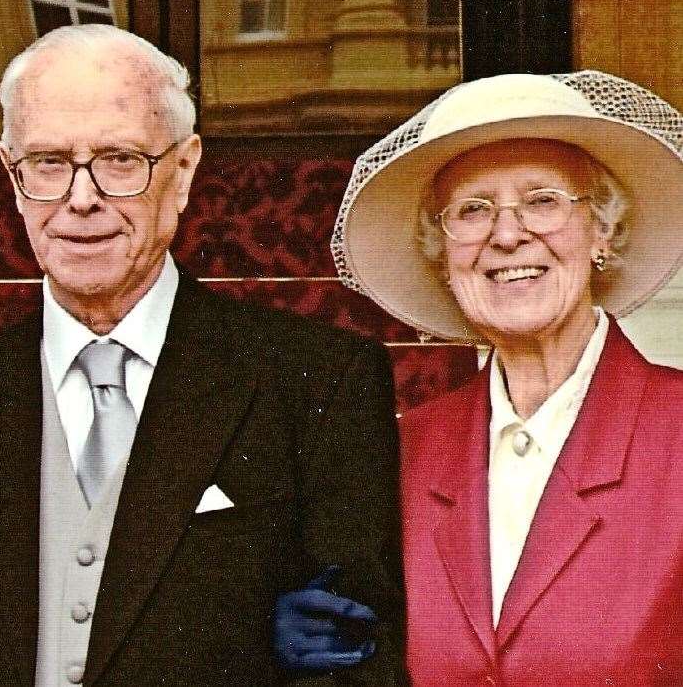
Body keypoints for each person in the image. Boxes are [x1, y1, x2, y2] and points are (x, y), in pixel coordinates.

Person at [0, 23, 406, 686]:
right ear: (11, 176)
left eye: (120, 160)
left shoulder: (319, 381)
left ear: (182, 172)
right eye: (48, 163)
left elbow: (353, 659)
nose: (81, 197)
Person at [277, 71, 683, 684]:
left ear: (601, 230)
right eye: (473, 210)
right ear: (442, 254)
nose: (508, 234)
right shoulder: (405, 447)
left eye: (542, 200)